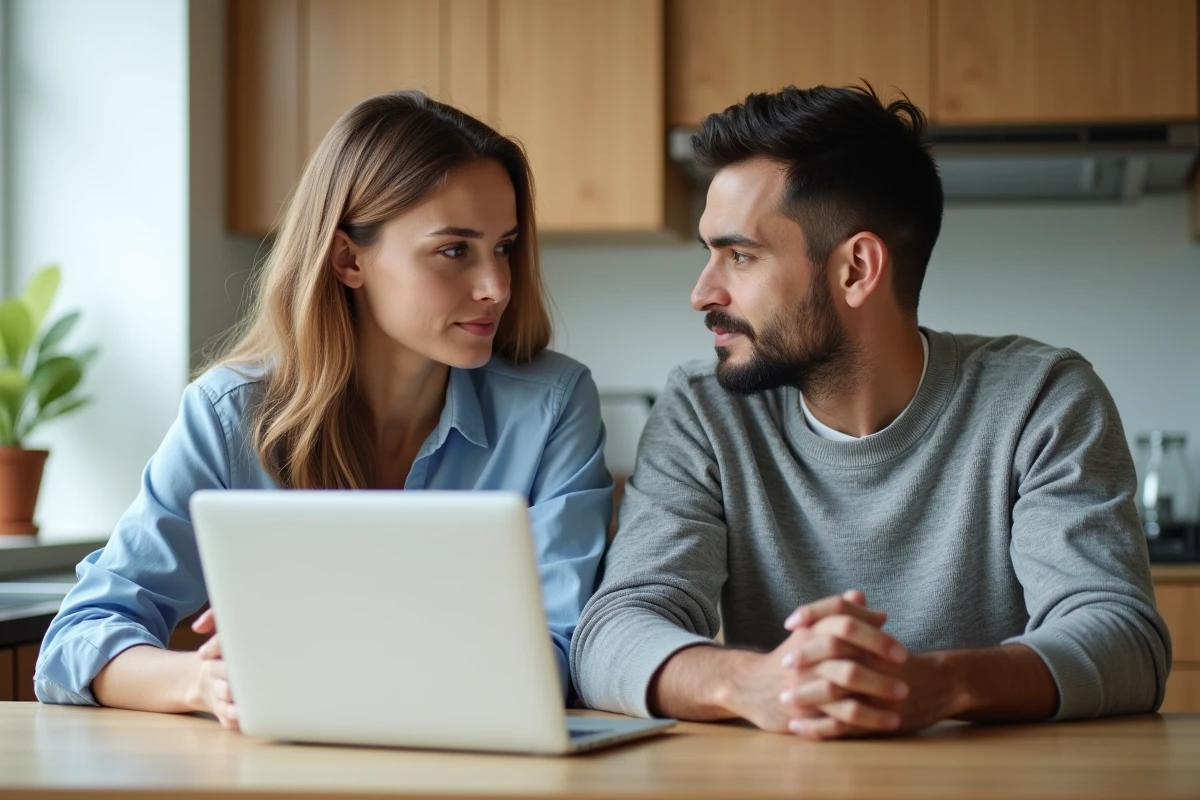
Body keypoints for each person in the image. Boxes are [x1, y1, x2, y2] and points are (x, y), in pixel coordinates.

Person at [570, 84, 1171, 739]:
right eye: (708, 253)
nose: (701, 292)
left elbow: (1124, 639)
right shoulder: (703, 411)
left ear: (856, 269)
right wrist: (751, 684)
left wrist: (938, 686)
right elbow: (610, 635)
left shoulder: (1041, 399)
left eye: (739, 255)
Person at [35, 91, 612, 728]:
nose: (495, 286)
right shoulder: (229, 414)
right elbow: (76, 640)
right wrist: (204, 682)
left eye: (503, 247)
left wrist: (343, 662)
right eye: (455, 250)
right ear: (347, 258)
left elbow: (562, 650)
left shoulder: (554, 405)